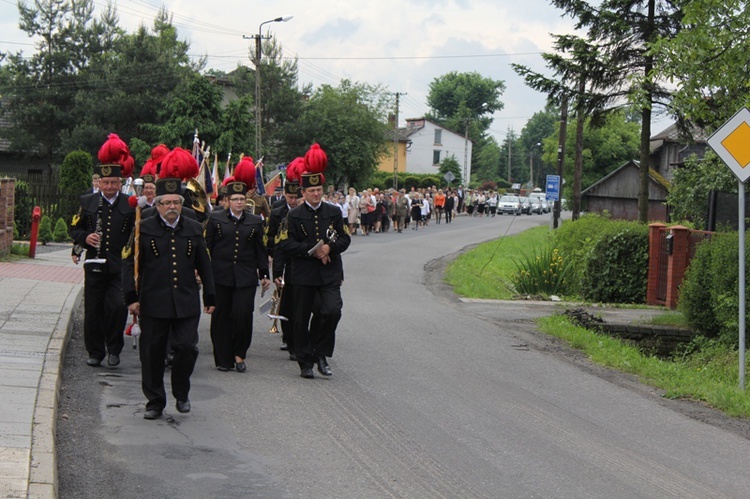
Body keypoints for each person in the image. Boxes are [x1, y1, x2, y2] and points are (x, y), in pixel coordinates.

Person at [122, 176, 216, 420]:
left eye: (177, 202)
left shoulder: (194, 228)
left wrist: (210, 296)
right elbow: (129, 264)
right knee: (152, 353)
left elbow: (205, 265)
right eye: (167, 203)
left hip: (185, 301)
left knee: (186, 347)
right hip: (153, 301)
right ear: (158, 204)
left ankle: (181, 391)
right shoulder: (144, 227)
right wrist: (131, 297)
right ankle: (155, 401)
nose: (172, 207)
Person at [278, 144, 351, 379]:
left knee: (332, 311)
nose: (316, 194)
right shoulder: (293, 215)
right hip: (303, 274)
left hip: (329, 273)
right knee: (300, 319)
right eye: (312, 191)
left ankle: (320, 352)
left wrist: (330, 247)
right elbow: (284, 244)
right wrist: (312, 251)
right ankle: (305, 361)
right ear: (304, 192)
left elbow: (345, 238)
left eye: (319, 190)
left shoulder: (334, 211)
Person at [69, 134, 136, 368]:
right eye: (105, 183)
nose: (109, 187)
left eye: (113, 183)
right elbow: (75, 229)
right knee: (93, 311)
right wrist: (85, 238)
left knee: (117, 308)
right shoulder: (88, 202)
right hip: (95, 266)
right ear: (100, 182)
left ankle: (114, 349)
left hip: (119, 267)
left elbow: (133, 236)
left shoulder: (129, 204)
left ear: (120, 183)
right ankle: (95, 352)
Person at [205, 180, 270, 372]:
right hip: (220, 275)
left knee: (242, 315)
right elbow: (207, 247)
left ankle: (239, 354)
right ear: (227, 201)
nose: (239, 203)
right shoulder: (216, 219)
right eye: (235, 199)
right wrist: (203, 272)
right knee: (221, 317)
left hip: (245, 276)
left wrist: (264, 274)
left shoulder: (255, 221)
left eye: (242, 199)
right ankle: (223, 358)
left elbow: (260, 250)